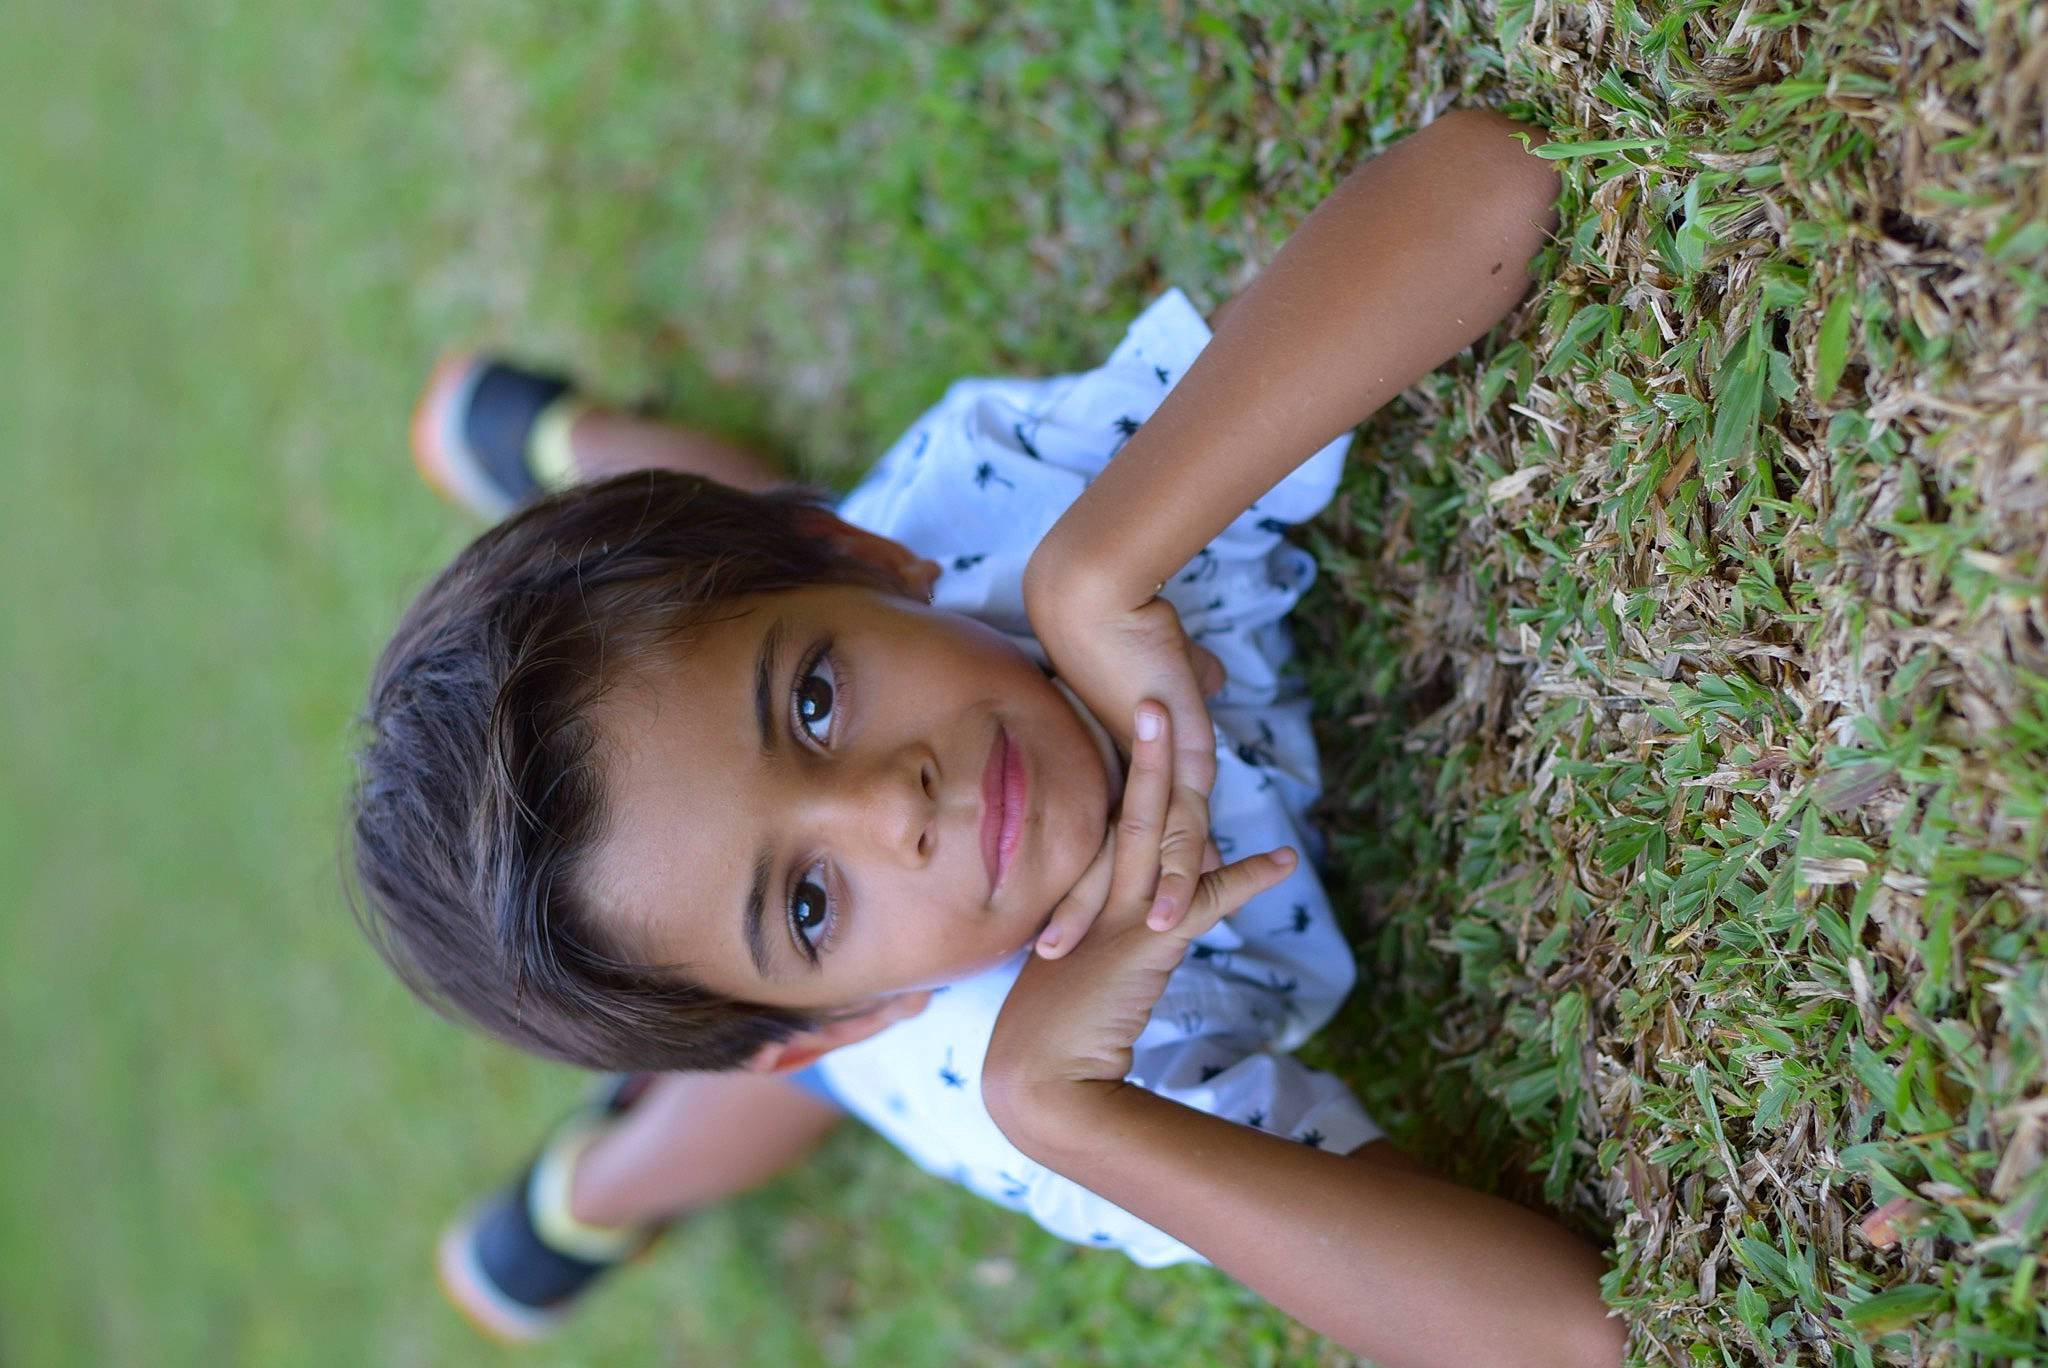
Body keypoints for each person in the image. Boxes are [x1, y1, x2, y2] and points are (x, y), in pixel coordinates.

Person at [351, 109, 1625, 1368]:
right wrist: (1063, 1114)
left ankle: (571, 444)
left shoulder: (995, 505)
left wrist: (1098, 567)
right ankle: (592, 1198)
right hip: (868, 1036)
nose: (888, 810)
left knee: (741, 520)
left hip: (823, 593)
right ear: (844, 1009)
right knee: (762, 1094)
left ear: (869, 561)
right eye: (805, 904)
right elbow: (1571, 1337)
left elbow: (1491, 181)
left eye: (811, 705)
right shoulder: (999, 1074)